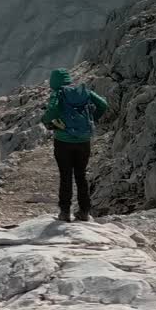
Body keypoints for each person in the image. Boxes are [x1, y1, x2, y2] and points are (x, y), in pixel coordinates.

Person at [39, 68, 108, 222]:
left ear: (54, 81)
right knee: (81, 175)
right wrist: (92, 120)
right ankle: (84, 212)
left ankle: (65, 213)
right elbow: (103, 104)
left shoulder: (58, 93)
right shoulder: (83, 91)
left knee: (66, 176)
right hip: (84, 141)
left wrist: (46, 121)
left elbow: (53, 110)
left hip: (63, 141)